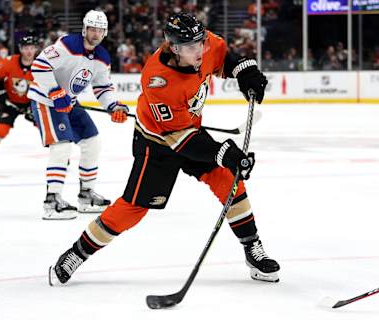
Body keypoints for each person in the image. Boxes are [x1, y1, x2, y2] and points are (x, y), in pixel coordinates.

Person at [48, 12, 280, 286]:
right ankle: (77, 253)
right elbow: (180, 140)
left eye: (201, 43)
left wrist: (245, 72)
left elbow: (225, 58)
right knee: (133, 208)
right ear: (174, 48)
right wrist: (225, 153)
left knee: (230, 182)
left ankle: (252, 248)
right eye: (193, 48)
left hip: (190, 131)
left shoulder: (203, 45)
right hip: (156, 144)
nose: (201, 51)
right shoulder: (158, 80)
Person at [27, 10, 129, 220]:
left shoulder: (102, 57)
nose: (95, 33)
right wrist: (54, 91)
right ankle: (52, 200)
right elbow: (39, 65)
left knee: (93, 141)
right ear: (84, 29)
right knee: (62, 146)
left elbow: (102, 87)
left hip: (69, 102)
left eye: (100, 30)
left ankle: (86, 194)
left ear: (105, 32)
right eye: (92, 28)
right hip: (45, 101)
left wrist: (113, 106)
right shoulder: (67, 45)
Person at [0, 37, 38, 173]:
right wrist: (1, 97)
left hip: (31, 104)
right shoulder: (10, 62)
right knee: (0, 130)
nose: (29, 51)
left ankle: (61, 158)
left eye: (32, 48)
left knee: (47, 129)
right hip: (10, 102)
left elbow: (46, 86)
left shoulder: (41, 65)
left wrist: (34, 104)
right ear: (20, 49)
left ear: (36, 49)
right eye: (26, 48)